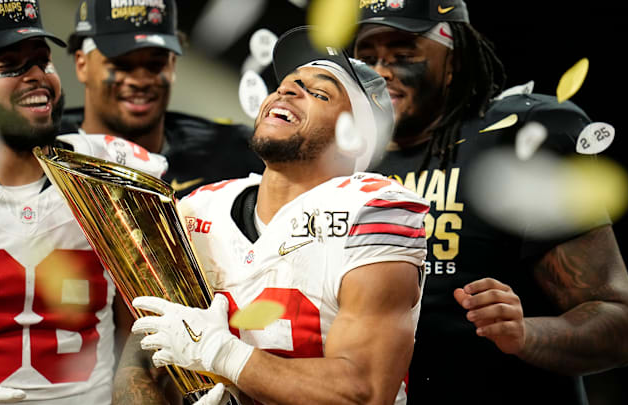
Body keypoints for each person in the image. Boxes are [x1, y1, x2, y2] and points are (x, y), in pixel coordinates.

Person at [112, 26, 429, 405]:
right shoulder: (199, 208)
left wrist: (223, 353)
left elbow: (363, 391)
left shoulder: (373, 211)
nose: (287, 89)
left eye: (319, 92)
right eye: (289, 83)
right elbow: (143, 353)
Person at [351, 1, 628, 404]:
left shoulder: (519, 138)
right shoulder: (346, 159)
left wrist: (525, 333)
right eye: (366, 58)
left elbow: (618, 324)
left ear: (453, 60)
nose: (380, 72)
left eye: (403, 54)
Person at [0, 0, 167, 403]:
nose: (36, 77)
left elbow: (147, 322)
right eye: (11, 65)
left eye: (42, 61)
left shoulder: (110, 168)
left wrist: (143, 385)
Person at [62, 0, 264, 198]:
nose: (140, 81)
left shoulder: (234, 155)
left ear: (172, 65)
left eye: (155, 64)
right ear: (82, 65)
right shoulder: (43, 152)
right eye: (122, 65)